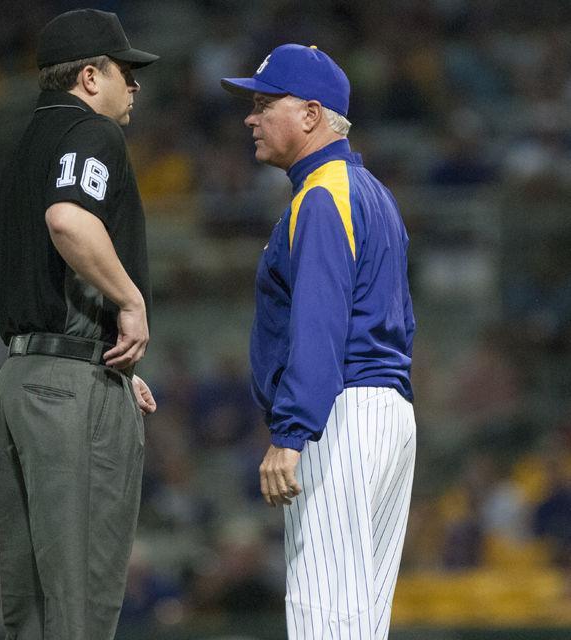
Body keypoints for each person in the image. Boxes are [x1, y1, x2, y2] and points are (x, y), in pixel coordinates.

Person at [221, 44, 417, 639]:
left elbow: (319, 322)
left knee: (323, 612)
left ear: (311, 114)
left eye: (263, 104)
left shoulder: (324, 194)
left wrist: (291, 432)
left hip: (341, 415)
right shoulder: (373, 193)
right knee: (358, 620)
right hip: (387, 413)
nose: (250, 118)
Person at [0, 9, 158, 639]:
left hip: (20, 379)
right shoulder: (93, 135)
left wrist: (106, 354)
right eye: (126, 71)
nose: (135, 85)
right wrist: (130, 304)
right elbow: (70, 220)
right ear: (90, 77)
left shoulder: (25, 143)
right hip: (69, 393)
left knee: (32, 613)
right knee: (80, 611)